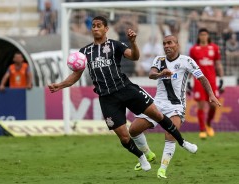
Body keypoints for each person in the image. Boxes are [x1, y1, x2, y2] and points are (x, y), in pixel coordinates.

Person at [48, 16, 198, 172]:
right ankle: (141, 157)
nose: (95, 28)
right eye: (93, 26)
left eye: (99, 25)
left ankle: (183, 142)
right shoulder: (84, 52)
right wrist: (60, 85)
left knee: (157, 115)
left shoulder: (115, 45)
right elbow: (76, 75)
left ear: (106, 29)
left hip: (126, 89)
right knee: (124, 137)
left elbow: (135, 56)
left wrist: (133, 42)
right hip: (107, 98)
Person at [130, 35, 221, 178]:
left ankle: (162, 169)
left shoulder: (187, 61)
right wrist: (160, 74)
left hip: (176, 105)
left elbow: (201, 77)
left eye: (169, 43)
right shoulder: (159, 60)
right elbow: (151, 74)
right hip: (157, 103)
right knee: (133, 130)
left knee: (170, 134)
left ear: (177, 45)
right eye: (164, 43)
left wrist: (211, 94)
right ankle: (148, 154)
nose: (166, 46)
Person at [188, 28, 224, 139]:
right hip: (198, 81)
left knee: (213, 105)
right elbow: (190, 66)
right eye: (201, 34)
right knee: (201, 105)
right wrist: (189, 81)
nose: (203, 36)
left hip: (212, 81)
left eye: (205, 34)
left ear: (208, 36)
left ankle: (208, 124)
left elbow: (218, 64)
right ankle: (202, 130)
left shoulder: (214, 48)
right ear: (199, 36)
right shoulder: (194, 49)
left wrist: (221, 79)